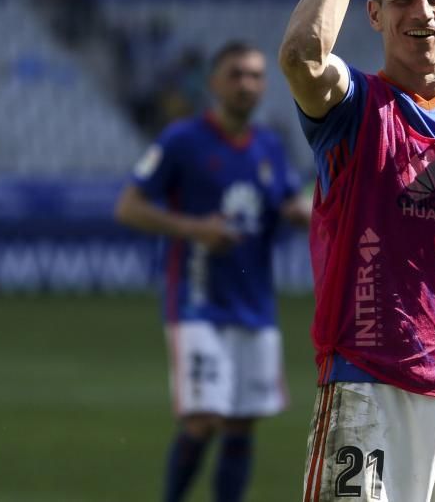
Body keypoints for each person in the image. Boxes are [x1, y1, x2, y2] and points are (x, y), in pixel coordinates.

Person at [279, 0, 435, 501]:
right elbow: (301, 57)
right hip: (368, 388)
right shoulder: (354, 108)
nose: (421, 11)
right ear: (373, 13)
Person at [114, 40, 311, 502]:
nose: (247, 85)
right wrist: (192, 228)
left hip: (256, 307)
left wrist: (301, 212)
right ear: (214, 82)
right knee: (204, 421)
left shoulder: (269, 145)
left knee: (242, 423)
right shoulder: (182, 140)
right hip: (197, 303)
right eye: (236, 74)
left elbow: (284, 201)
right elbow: (128, 207)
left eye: (256, 76)